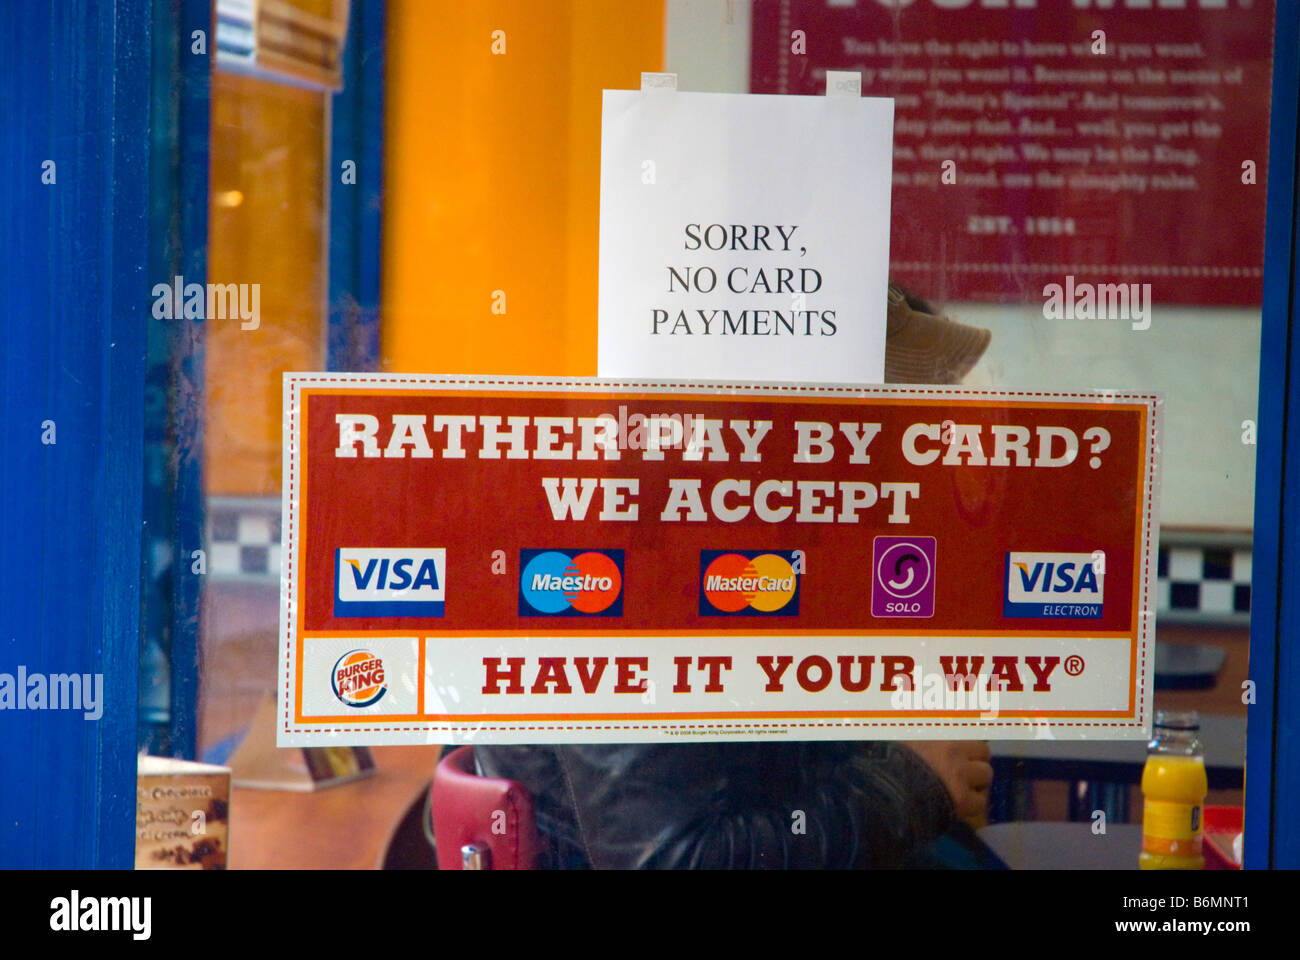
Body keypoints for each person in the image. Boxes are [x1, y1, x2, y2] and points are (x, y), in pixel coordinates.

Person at [475, 284, 995, 869]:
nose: (935, 449)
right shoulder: (640, 562)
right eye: (908, 415)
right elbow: (671, 860)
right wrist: (911, 786)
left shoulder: (777, 539)